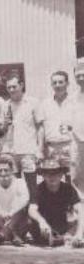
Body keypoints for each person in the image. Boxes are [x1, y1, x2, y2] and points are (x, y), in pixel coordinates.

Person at [0, 74, 41, 198]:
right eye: (9, 87)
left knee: (31, 185)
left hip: (28, 150)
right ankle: (17, 214)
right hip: (10, 151)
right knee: (13, 186)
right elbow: (1, 132)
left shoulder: (33, 102)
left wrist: (39, 149)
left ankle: (32, 212)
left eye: (14, 86)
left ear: (21, 85)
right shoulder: (5, 105)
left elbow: (40, 128)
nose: (11, 90)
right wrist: (5, 125)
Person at [28, 159, 84, 247]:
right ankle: (66, 239)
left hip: (63, 227)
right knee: (30, 221)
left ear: (61, 175)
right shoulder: (38, 189)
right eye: (48, 174)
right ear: (43, 175)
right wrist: (42, 221)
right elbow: (32, 210)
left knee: (80, 219)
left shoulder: (68, 189)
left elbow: (80, 210)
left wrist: (79, 233)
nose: (52, 177)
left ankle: (71, 238)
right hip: (44, 229)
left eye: (56, 173)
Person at [37, 71, 75, 185]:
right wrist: (39, 150)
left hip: (70, 146)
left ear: (67, 83)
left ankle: (75, 202)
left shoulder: (75, 102)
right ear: (51, 85)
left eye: (61, 82)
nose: (58, 85)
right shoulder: (45, 104)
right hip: (51, 149)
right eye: (55, 82)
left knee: (73, 178)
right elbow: (41, 129)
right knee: (54, 180)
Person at [72, 61, 84, 196]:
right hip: (77, 141)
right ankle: (81, 205)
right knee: (76, 174)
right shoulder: (72, 98)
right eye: (78, 75)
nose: (81, 78)